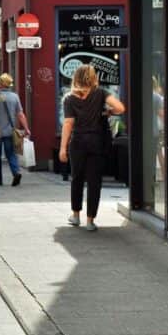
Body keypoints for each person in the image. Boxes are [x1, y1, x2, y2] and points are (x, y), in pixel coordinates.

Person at [60, 64, 125, 232]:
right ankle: (90, 221)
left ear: (76, 78)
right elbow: (120, 108)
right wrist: (108, 112)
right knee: (94, 181)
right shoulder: (101, 93)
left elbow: (68, 123)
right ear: (93, 77)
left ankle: (75, 216)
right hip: (97, 142)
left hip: (78, 142)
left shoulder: (69, 98)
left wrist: (62, 148)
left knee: (77, 179)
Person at [0, 73, 31, 187]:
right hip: (10, 130)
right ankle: (16, 172)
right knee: (11, 154)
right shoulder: (15, 96)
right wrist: (26, 128)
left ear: (0, 84)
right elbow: (20, 114)